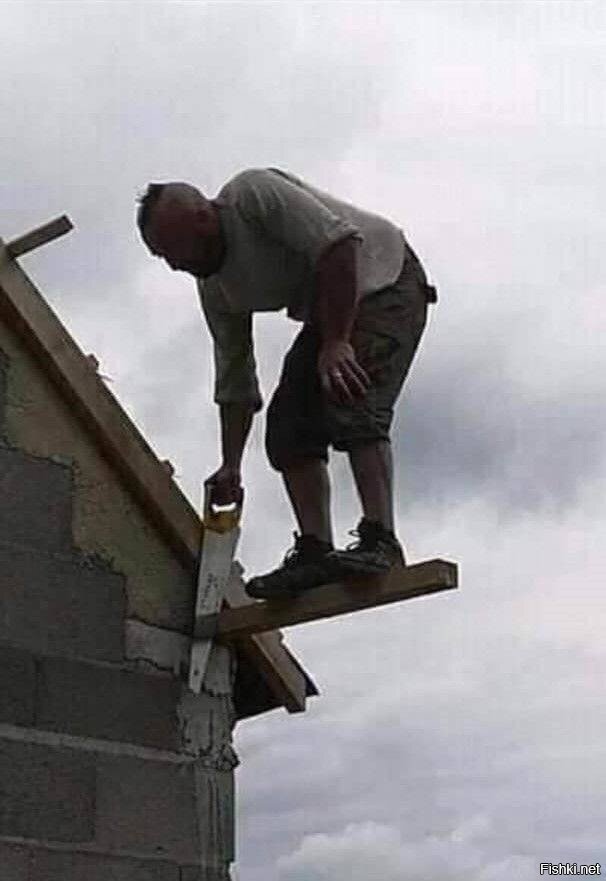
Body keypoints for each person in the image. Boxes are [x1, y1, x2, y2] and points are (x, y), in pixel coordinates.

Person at [136, 167, 437, 598]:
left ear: (203, 217)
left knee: (349, 390)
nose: (175, 264)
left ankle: (382, 541)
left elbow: (340, 245)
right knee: (288, 425)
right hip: (331, 303)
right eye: (162, 256)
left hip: (385, 276)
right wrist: (231, 465)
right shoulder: (216, 288)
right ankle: (316, 552)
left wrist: (336, 342)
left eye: (175, 248)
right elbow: (235, 377)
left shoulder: (252, 196)